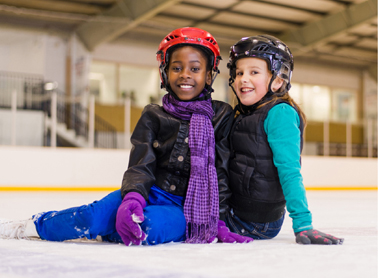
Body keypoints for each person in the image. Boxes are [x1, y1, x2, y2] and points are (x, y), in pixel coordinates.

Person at [0, 27, 252, 246]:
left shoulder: (221, 116)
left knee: (147, 229)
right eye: (176, 67)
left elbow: (220, 171)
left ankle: (108, 231)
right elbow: (141, 163)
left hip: (184, 208)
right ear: (165, 73)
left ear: (209, 75)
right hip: (147, 191)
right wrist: (132, 198)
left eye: (195, 68)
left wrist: (217, 220)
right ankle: (35, 226)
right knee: (92, 217)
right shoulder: (153, 115)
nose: (185, 74)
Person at [225, 35, 344, 245]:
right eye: (239, 72)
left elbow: (289, 170)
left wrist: (303, 224)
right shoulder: (242, 113)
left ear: (278, 80)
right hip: (237, 209)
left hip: (255, 221)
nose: (243, 78)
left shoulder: (280, 113)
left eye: (254, 72)